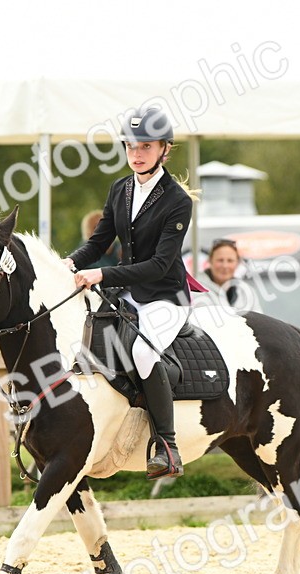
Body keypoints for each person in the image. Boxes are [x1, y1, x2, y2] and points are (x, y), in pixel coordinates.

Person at [64, 106, 198, 479]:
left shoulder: (177, 200)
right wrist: (69, 264)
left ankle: (168, 446)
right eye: (131, 146)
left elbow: (158, 264)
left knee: (141, 351)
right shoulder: (119, 189)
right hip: (127, 295)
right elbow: (98, 242)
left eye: (146, 147)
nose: (137, 154)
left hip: (165, 298)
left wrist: (102, 275)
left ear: (164, 149)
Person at [192, 238, 262, 314]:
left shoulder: (248, 292)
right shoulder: (194, 291)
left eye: (230, 261)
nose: (225, 266)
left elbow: (259, 323)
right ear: (210, 261)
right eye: (220, 260)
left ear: (237, 263)